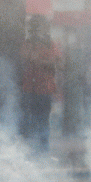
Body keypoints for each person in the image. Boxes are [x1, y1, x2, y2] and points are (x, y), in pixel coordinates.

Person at [20, 14, 58, 151]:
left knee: (42, 121)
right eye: (34, 27)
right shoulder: (28, 43)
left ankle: (42, 149)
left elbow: (55, 63)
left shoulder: (50, 44)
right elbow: (25, 58)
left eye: (38, 27)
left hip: (44, 89)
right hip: (30, 88)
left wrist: (39, 60)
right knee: (28, 120)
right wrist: (42, 61)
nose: (36, 30)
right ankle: (29, 148)